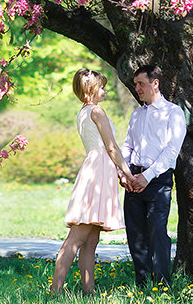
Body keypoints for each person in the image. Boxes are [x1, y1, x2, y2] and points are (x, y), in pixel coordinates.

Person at [50, 68, 133, 295]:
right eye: (102, 87)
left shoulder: (83, 112)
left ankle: (90, 292)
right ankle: (55, 291)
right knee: (76, 239)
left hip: (96, 170)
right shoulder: (96, 111)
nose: (105, 90)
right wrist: (127, 172)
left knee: (90, 241)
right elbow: (111, 147)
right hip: (98, 172)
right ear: (90, 90)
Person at [120, 64, 187, 288]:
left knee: (157, 232)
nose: (136, 88)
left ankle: (163, 285)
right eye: (136, 84)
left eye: (141, 83)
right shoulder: (137, 114)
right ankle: (143, 284)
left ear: (155, 83)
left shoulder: (173, 113)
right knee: (135, 234)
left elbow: (171, 152)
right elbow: (127, 146)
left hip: (158, 181)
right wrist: (124, 173)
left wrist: (146, 177)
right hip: (133, 180)